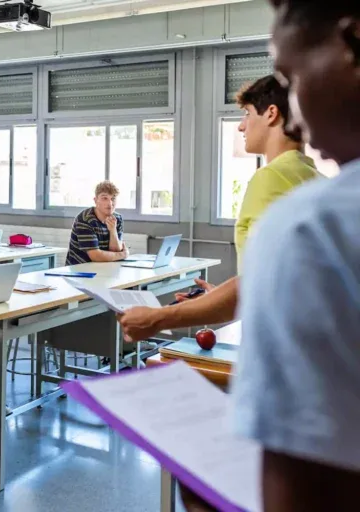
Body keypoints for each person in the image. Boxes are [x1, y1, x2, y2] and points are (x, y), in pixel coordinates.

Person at [185, 2, 360, 510]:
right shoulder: (314, 182)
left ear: (351, 45)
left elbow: (299, 483)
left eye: (293, 73)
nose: (297, 108)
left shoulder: (308, 222)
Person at [118, 75, 320, 342]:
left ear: (271, 114)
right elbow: (288, 284)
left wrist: (160, 318)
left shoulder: (270, 177)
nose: (241, 126)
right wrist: (214, 298)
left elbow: (259, 282)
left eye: (247, 114)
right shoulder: (313, 177)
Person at [66, 180, 128, 265]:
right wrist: (123, 254)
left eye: (113, 198)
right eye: (104, 198)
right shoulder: (85, 219)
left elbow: (115, 251)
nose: (110, 203)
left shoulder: (117, 218)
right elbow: (95, 256)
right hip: (80, 272)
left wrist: (113, 231)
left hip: (104, 269)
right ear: (95, 200)